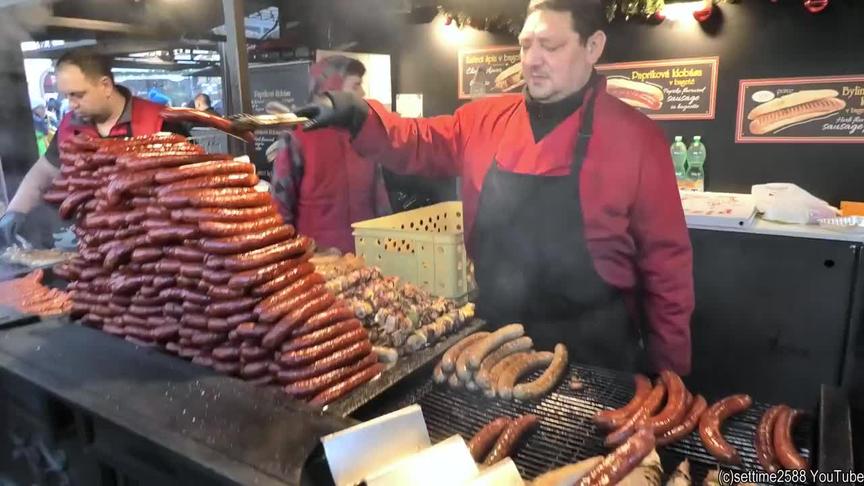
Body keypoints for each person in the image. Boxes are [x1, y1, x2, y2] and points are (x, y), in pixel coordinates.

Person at [294, 0, 694, 374]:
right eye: (525, 45)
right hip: (495, 347)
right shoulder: (484, 120)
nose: (532, 61)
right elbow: (416, 141)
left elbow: (667, 267)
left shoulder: (637, 140)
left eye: (550, 46)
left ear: (593, 46)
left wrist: (670, 371)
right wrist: (357, 113)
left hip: (600, 359)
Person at [0, 49, 188, 246]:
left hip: (157, 246)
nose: (71, 104)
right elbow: (45, 171)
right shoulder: (68, 126)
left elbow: (189, 187)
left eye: (77, 95)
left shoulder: (162, 122)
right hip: (92, 246)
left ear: (105, 86)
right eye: (66, 96)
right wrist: (15, 211)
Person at [270, 55, 391, 254]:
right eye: (356, 86)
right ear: (332, 89)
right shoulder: (297, 136)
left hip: (368, 259)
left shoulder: (365, 134)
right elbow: (280, 210)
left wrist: (389, 247)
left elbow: (381, 202)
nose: (363, 92)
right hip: (316, 266)